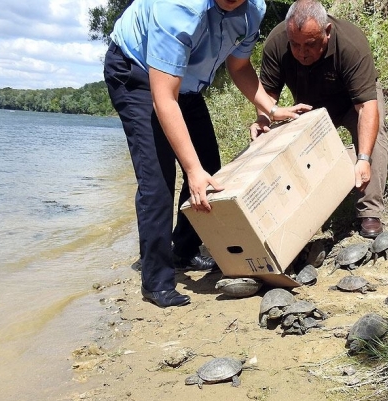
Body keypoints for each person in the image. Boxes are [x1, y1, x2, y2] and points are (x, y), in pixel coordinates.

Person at [104, 0, 311, 308]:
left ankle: (182, 251)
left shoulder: (253, 9)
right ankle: (157, 281)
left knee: (209, 169)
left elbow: (239, 67)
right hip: (136, 73)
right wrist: (191, 168)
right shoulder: (179, 7)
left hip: (184, 86)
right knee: (158, 180)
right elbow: (163, 99)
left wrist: (272, 108)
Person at [250, 0, 388, 238]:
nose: (302, 52)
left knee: (372, 136)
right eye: (295, 45)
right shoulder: (276, 42)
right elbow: (268, 95)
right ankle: (302, 216)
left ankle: (369, 211)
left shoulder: (350, 45)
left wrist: (363, 158)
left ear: (327, 32)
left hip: (351, 101)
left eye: (310, 45)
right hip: (308, 106)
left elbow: (366, 107)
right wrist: (263, 120)